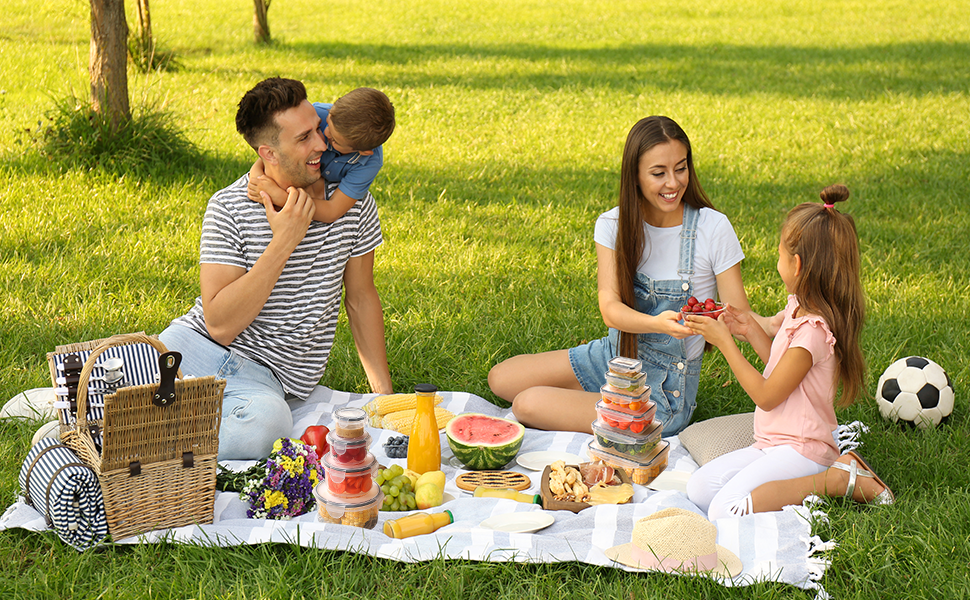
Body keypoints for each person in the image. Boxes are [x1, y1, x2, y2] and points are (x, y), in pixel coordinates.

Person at [158, 77, 393, 460]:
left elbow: (361, 298)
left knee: (267, 427)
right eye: (304, 139)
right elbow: (219, 323)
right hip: (194, 349)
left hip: (263, 382)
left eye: (318, 130)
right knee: (111, 380)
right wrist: (285, 239)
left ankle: (134, 434)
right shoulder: (230, 206)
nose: (321, 144)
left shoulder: (353, 206)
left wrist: (384, 396)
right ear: (268, 152)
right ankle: (117, 424)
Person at [488, 116, 755, 436]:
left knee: (527, 404)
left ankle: (604, 408)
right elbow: (610, 308)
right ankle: (602, 402)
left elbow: (738, 315)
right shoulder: (613, 225)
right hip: (615, 356)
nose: (673, 183)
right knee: (501, 379)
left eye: (681, 168)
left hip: (664, 393)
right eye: (659, 173)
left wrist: (768, 325)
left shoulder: (712, 228)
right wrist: (657, 323)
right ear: (636, 176)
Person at [684, 184, 891, 521]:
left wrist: (726, 343)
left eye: (778, 253)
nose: (776, 259)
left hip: (803, 449)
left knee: (725, 510)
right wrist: (749, 329)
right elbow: (781, 372)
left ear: (796, 264)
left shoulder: (813, 333)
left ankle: (836, 479)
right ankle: (825, 477)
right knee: (700, 489)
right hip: (773, 441)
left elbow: (767, 395)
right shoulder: (797, 309)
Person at [247, 87, 395, 223]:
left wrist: (282, 198)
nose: (324, 135)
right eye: (325, 125)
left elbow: (332, 211)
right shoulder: (319, 113)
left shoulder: (369, 162)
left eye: (334, 140)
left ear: (363, 152)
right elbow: (275, 150)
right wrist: (256, 179)